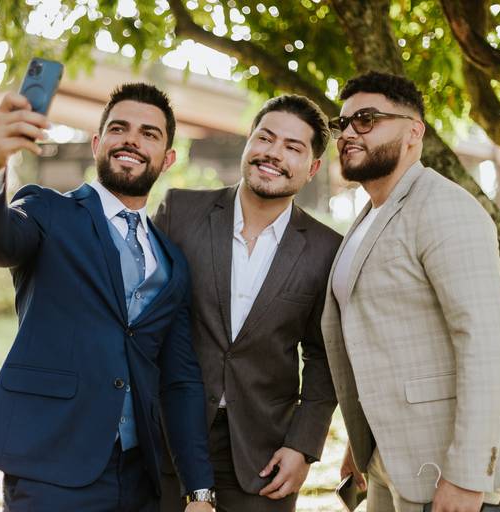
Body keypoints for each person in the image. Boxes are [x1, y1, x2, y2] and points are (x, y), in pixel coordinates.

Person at [0, 82, 215, 511]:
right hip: (50, 467)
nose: (131, 140)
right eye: (119, 128)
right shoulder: (47, 211)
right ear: (98, 143)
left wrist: (200, 490)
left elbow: (180, 379)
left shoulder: (172, 261)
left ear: (167, 158)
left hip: (138, 477)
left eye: (149, 134)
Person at [321, 71, 500, 512]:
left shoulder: (445, 207)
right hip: (387, 455)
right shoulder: (370, 215)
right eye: (343, 124)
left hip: (444, 464)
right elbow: (380, 340)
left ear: (414, 132)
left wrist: (467, 474)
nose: (349, 133)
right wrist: (361, 441)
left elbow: (485, 344)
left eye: (366, 119)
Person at [154, 95, 340, 512]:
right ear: (248, 142)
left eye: (293, 147)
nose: (274, 153)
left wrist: (303, 445)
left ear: (312, 168)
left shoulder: (327, 249)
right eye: (265, 138)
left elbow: (324, 356)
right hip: (168, 439)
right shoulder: (179, 212)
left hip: (264, 456)